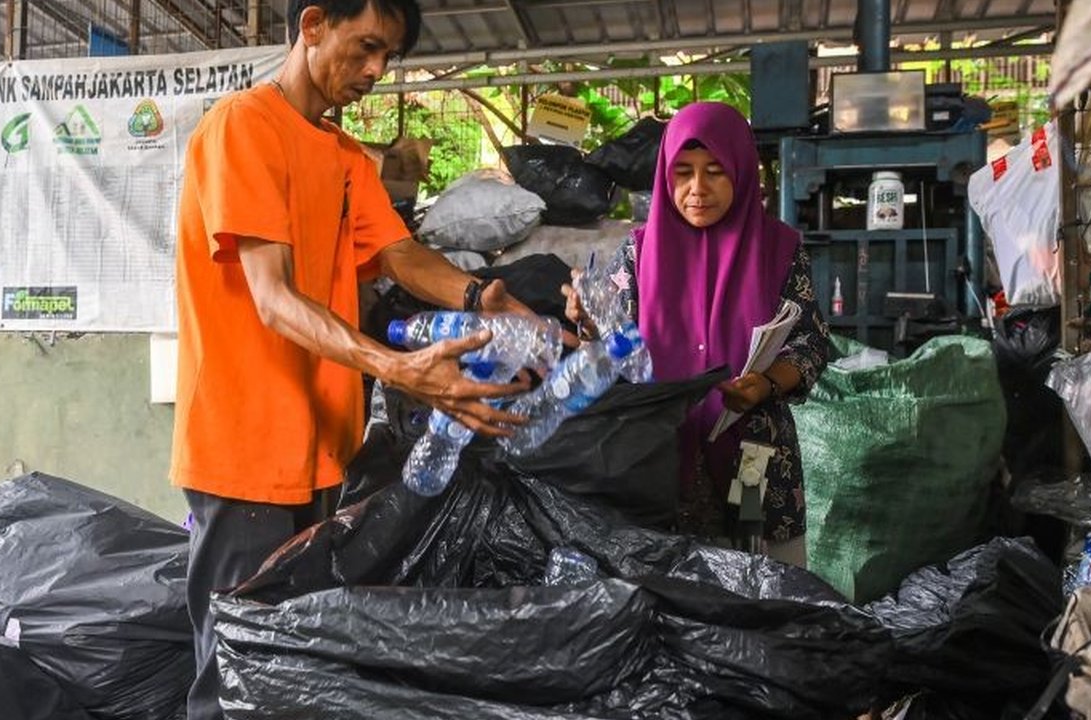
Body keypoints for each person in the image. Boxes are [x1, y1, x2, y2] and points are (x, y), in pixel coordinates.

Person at [171, 1, 532, 717]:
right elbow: (272, 300)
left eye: (389, 57)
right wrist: (397, 368)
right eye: (366, 47)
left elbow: (397, 254)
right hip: (246, 455)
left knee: (292, 671)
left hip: (321, 453)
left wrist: (475, 296)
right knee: (234, 676)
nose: (376, 72)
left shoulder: (339, 155)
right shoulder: (243, 127)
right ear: (312, 26)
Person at [565, 102, 828, 566]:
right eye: (682, 172)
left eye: (715, 172)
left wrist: (764, 384)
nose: (697, 189)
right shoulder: (639, 252)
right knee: (672, 585)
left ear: (743, 171)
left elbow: (809, 342)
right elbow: (611, 347)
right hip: (659, 453)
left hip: (752, 451)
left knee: (754, 576)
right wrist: (587, 320)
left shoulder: (780, 249)